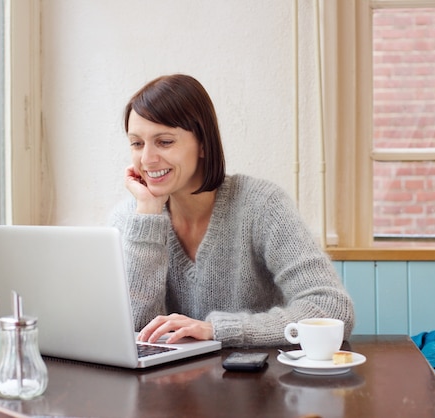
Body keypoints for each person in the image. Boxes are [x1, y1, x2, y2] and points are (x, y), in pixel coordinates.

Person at [109, 74, 355, 348]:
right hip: (165, 386)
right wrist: (149, 214)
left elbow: (333, 309)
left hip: (256, 383)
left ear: (203, 143)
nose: (147, 159)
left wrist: (219, 329)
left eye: (164, 142)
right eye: (137, 143)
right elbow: (131, 330)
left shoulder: (262, 206)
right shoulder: (132, 217)